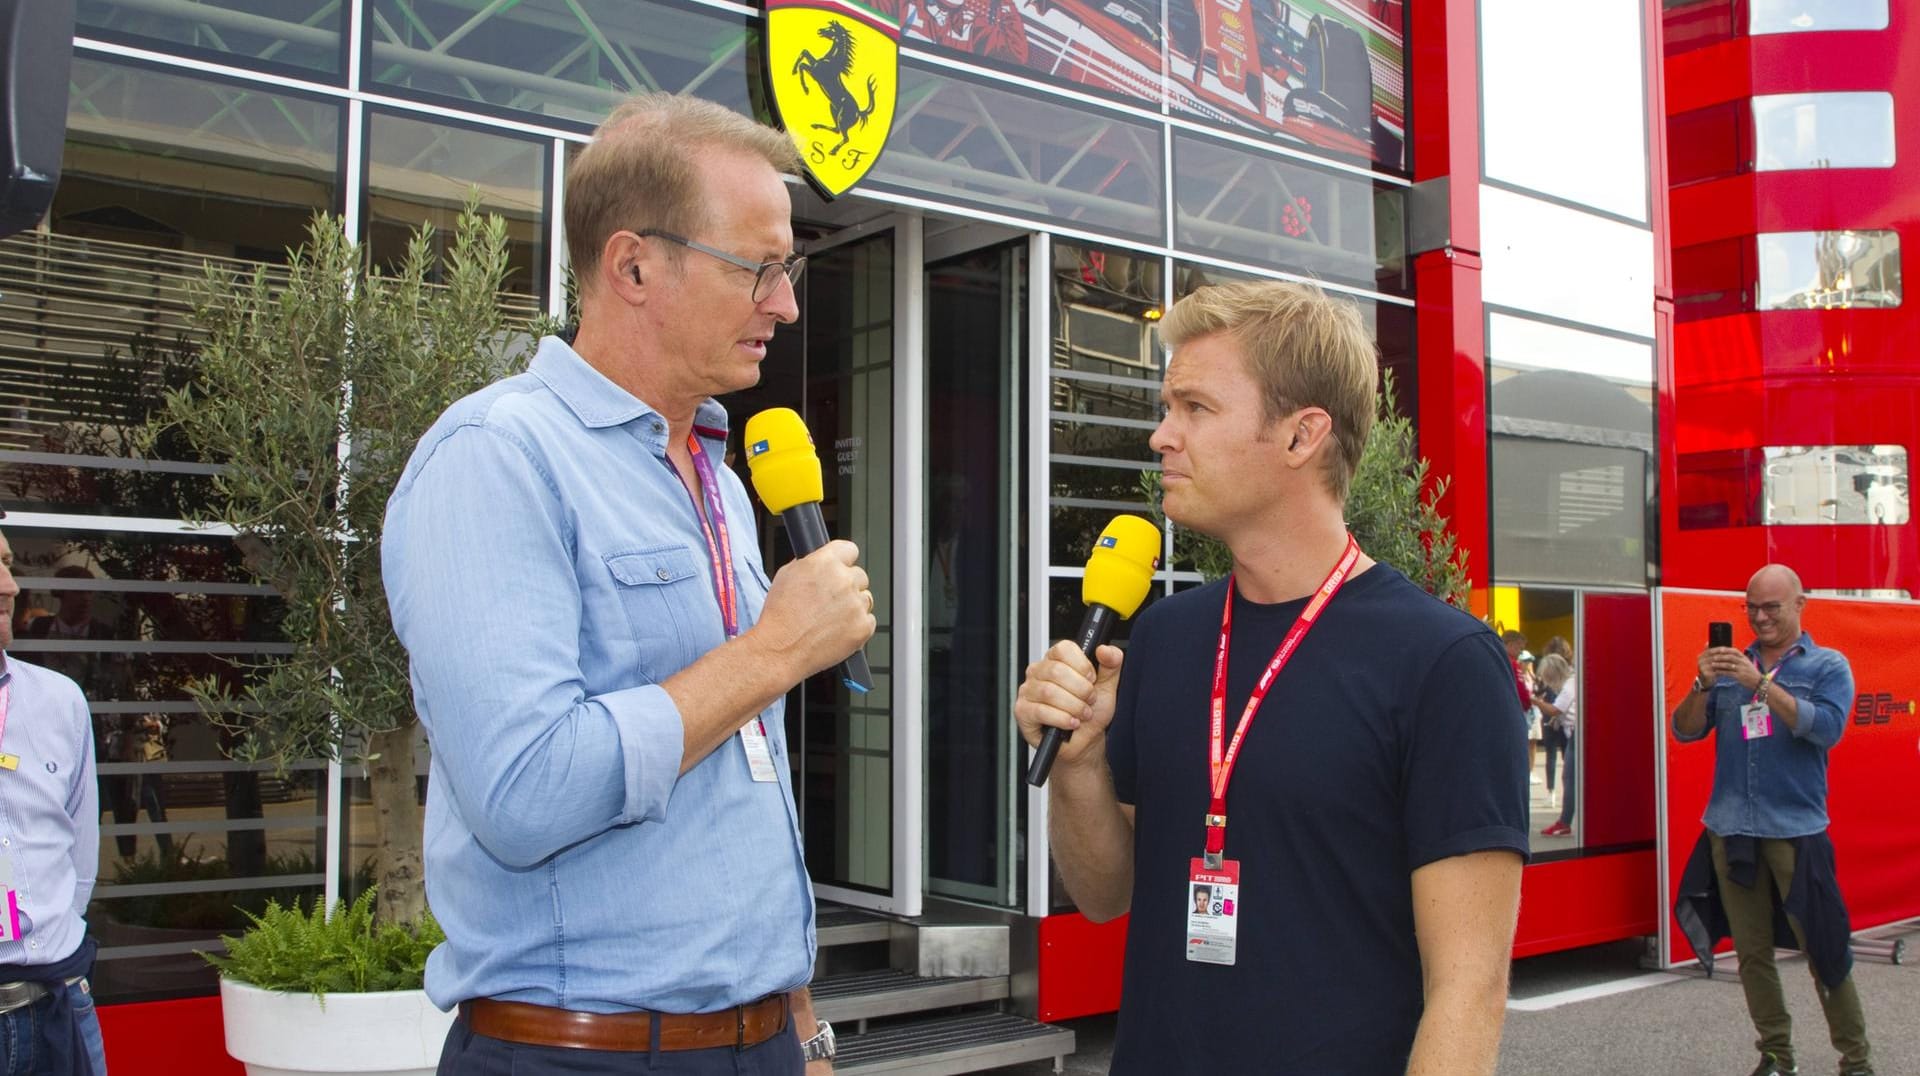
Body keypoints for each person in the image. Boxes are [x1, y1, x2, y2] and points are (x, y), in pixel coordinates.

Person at [382, 93, 875, 1076]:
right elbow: (525, 792)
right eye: (759, 267)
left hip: (760, 1038)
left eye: (790, 268)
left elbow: (745, 775)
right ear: (633, 264)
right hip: (582, 1051)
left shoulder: (722, 483)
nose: (785, 302)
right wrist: (773, 650)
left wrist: (800, 1024)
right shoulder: (498, 458)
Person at [1014, 281, 1528, 1074]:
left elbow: (1469, 988)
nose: (1160, 436)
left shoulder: (1442, 663)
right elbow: (1106, 894)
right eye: (1167, 406)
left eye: (1195, 408)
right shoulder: (1162, 637)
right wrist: (1078, 765)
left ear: (1301, 436)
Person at [1670, 565, 1874, 1076]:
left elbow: (1824, 729)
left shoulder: (1828, 666)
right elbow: (1685, 731)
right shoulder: (1731, 667)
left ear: (1800, 604)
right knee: (1752, 954)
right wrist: (1702, 683)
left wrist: (1760, 684)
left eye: (1771, 608)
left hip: (1796, 829)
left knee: (1825, 949)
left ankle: (1856, 1061)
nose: (1760, 618)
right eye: (1751, 608)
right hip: (1732, 827)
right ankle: (1777, 1055)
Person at [0, 525, 109, 1075]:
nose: (10, 586)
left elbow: (81, 853)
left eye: (7, 563)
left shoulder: (59, 701)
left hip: (59, 1005)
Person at [1534, 654, 1576, 837]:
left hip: (1576, 734)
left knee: (1569, 778)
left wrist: (1535, 701)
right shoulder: (1572, 682)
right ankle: (1565, 820)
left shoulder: (1568, 686)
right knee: (1570, 778)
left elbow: (1555, 709)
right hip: (1573, 733)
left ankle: (1564, 822)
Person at [1540, 636, 1573, 809]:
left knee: (1551, 755)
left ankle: (1551, 792)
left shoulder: (1549, 669)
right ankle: (1565, 793)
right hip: (1562, 716)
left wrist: (1536, 701)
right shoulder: (1570, 670)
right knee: (1567, 758)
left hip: (1553, 713)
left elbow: (1550, 704)